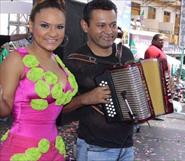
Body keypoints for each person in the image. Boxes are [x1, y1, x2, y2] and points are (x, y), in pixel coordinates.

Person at [0, 1, 78, 161]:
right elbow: (4, 110)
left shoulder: (58, 61)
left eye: (59, 27)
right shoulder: (16, 60)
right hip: (22, 149)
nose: (53, 33)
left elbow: (59, 105)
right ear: (31, 25)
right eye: (45, 25)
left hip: (54, 149)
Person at [62, 0, 135, 160]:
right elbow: (59, 109)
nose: (109, 31)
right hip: (94, 148)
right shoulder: (74, 62)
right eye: (101, 25)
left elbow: (136, 96)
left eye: (113, 25)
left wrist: (163, 87)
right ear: (85, 25)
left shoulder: (126, 54)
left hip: (127, 147)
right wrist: (85, 99)